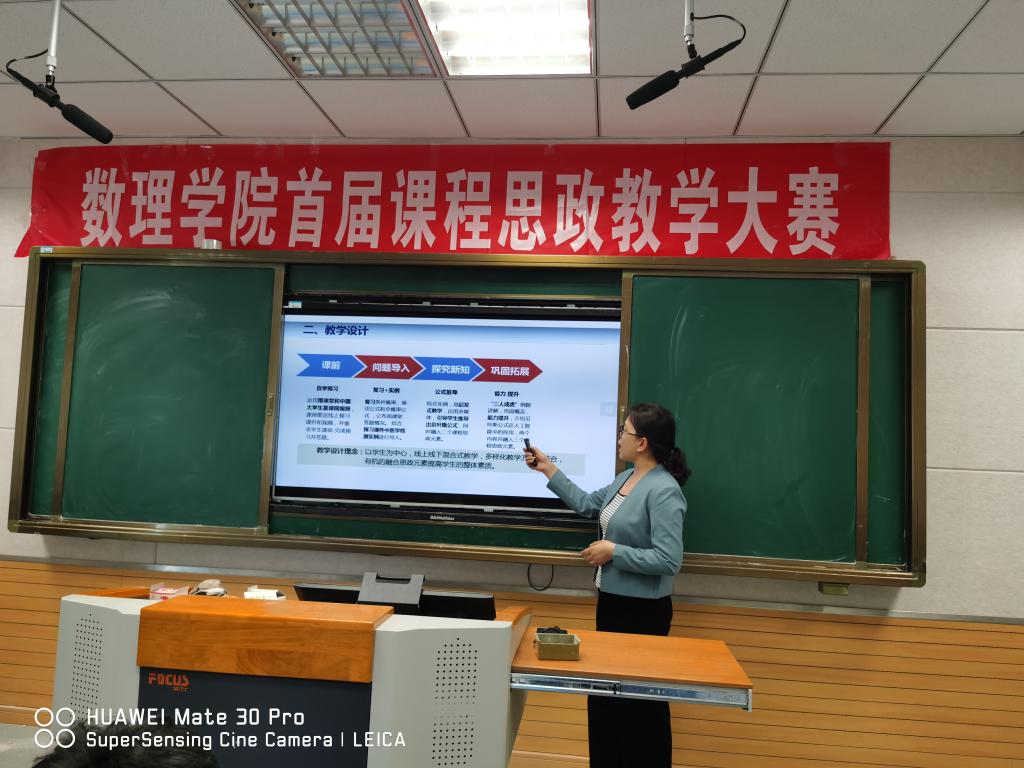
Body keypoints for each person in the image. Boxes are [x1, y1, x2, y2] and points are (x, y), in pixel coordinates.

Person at [524, 402, 690, 768]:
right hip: (612, 602)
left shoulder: (664, 490)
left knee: (640, 706)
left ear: (642, 443)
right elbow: (587, 504)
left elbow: (668, 560)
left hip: (643, 612)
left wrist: (614, 551)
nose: (619, 438)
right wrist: (548, 468)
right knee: (604, 697)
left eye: (624, 431)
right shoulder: (626, 478)